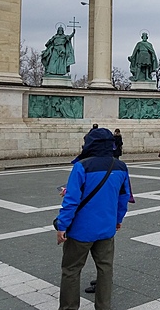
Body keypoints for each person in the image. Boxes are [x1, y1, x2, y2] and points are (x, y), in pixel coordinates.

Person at [54, 128, 131, 310]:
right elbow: (123, 198)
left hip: (81, 230)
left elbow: (72, 201)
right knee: (105, 269)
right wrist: (118, 219)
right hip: (106, 228)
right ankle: (104, 307)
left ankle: (69, 308)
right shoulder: (120, 167)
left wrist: (62, 226)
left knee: (71, 270)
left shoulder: (82, 166)